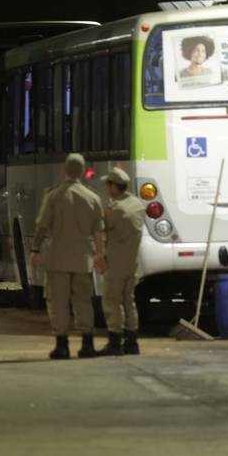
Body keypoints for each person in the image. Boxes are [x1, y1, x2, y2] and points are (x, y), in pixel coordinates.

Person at [30, 153, 105, 360]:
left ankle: (62, 345)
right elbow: (98, 231)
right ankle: (87, 344)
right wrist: (99, 256)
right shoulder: (93, 198)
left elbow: (42, 226)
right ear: (82, 171)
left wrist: (35, 249)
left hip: (58, 258)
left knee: (58, 301)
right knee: (83, 301)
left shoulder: (54, 195)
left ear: (64, 170)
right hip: (83, 259)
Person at [97, 167, 145, 356]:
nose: (107, 189)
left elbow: (102, 226)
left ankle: (115, 343)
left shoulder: (117, 210)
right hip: (132, 262)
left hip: (115, 263)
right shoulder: (137, 205)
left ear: (115, 187)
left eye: (108, 185)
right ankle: (132, 343)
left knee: (112, 302)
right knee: (129, 301)